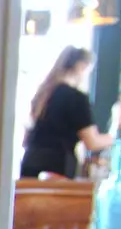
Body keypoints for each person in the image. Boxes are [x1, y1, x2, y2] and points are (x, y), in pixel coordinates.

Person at [20, 46, 111, 178]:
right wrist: (118, 138)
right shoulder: (76, 97)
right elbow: (92, 142)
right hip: (57, 165)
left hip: (30, 162)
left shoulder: (43, 94)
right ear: (81, 66)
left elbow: (26, 137)